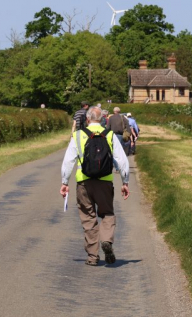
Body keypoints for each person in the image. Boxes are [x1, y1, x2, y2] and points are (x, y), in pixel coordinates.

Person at [61, 106, 130, 266]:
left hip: (83, 183)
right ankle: (106, 240)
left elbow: (68, 161)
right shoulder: (110, 135)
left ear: (87, 119)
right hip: (105, 182)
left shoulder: (78, 136)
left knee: (88, 218)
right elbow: (122, 161)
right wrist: (125, 182)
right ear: (103, 120)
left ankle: (92, 257)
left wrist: (65, 182)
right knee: (107, 214)